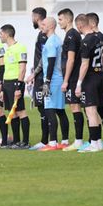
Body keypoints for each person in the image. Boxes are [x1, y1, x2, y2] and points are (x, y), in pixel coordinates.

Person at [75, 14, 103, 153]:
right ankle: (98, 141)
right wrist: (101, 70)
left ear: (80, 25)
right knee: (96, 111)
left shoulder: (86, 41)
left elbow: (84, 64)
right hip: (100, 76)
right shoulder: (98, 37)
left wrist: (79, 83)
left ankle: (94, 143)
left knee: (90, 110)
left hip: (90, 79)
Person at [37, 17, 69, 151]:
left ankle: (53, 142)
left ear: (50, 26)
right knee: (60, 110)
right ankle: (65, 141)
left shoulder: (51, 43)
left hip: (53, 80)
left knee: (50, 110)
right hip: (58, 78)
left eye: (43, 24)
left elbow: (51, 62)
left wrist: (47, 82)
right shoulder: (57, 40)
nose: (41, 26)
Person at [0, 24, 30, 149]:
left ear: (6, 34)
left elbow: (22, 68)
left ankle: (25, 142)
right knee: (13, 113)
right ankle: (16, 141)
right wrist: (2, 88)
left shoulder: (20, 47)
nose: (0, 36)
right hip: (7, 84)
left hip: (16, 83)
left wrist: (18, 87)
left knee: (21, 111)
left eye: (1, 34)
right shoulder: (7, 50)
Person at [86, 12, 103, 148]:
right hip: (102, 75)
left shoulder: (92, 38)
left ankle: (95, 140)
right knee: (101, 109)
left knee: (92, 109)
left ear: (92, 23)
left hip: (94, 75)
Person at [58, 8, 84, 151]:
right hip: (72, 77)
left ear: (68, 20)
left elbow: (71, 60)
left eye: (60, 19)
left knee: (75, 107)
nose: (59, 22)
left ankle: (79, 140)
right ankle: (83, 140)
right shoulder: (70, 35)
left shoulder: (71, 35)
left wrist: (66, 80)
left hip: (73, 78)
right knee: (75, 107)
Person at [25, 8, 49, 147]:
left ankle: (46, 141)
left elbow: (44, 57)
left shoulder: (43, 35)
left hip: (43, 77)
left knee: (44, 108)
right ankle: (47, 140)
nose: (31, 19)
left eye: (32, 16)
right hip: (40, 75)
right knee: (43, 107)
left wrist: (34, 73)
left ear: (37, 17)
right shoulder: (41, 34)